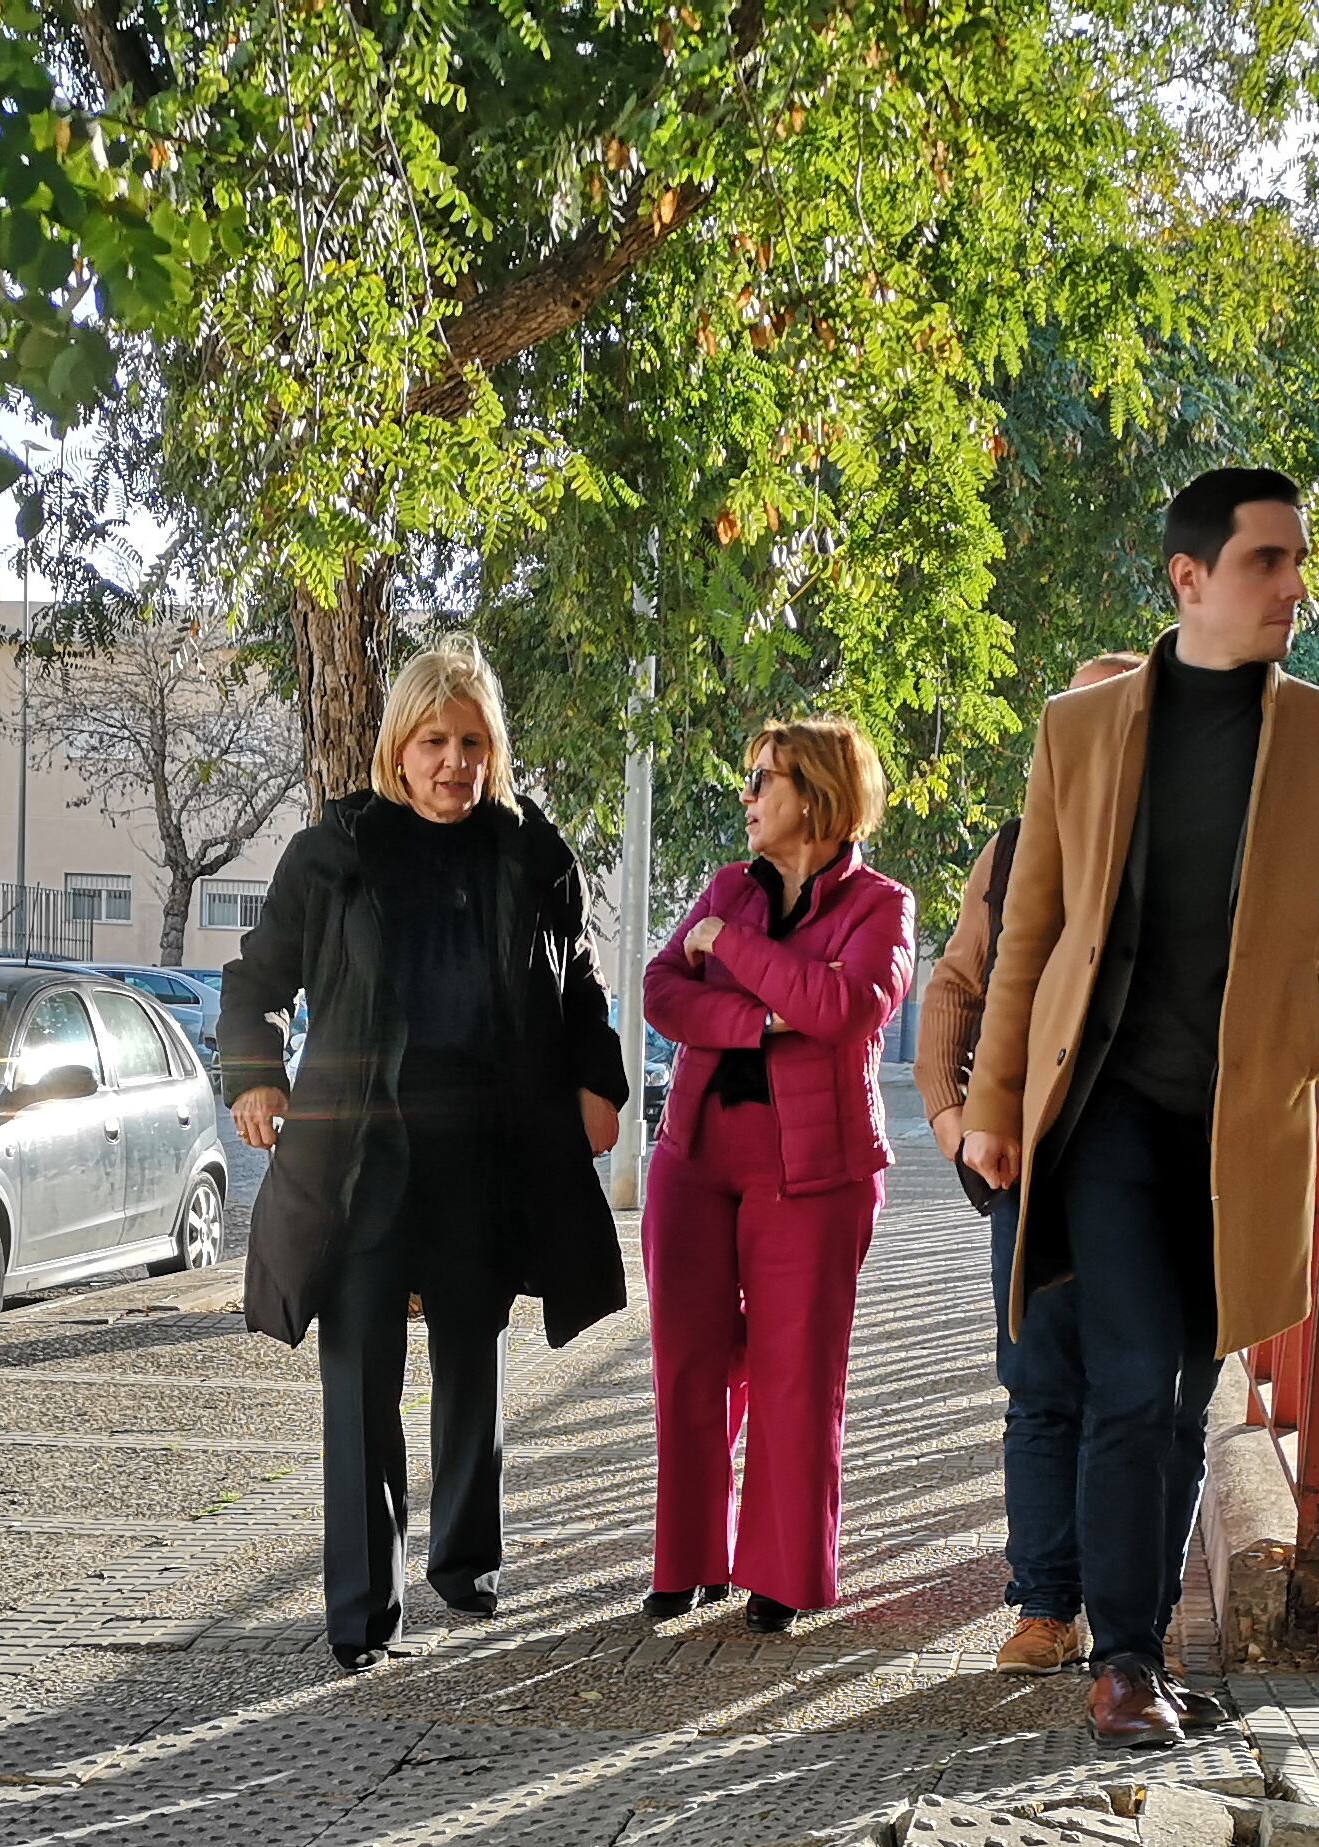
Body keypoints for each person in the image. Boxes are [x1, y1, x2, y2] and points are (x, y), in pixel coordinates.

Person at [958, 471, 1319, 1746]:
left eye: (1299, 561)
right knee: (1124, 1382)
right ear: (1190, 577)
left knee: (1180, 1397)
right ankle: (1126, 1663)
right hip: (1105, 1120)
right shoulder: (1081, 730)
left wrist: (1302, 1048)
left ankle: (1138, 1650)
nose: (1294, 586)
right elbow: (1028, 930)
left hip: (1241, 1135)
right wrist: (996, 1101)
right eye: (1268, 561)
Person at [218, 638, 631, 1669]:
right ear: (399, 749)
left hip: (488, 1154)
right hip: (362, 1157)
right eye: (435, 741)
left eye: (474, 741)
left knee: (473, 1359)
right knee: (360, 1370)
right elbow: (255, 978)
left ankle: (467, 1564)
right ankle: (363, 1615)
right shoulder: (336, 852)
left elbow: (578, 981)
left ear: (496, 749)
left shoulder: (531, 854)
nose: (456, 762)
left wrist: (598, 1080)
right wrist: (255, 1075)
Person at [642, 718, 915, 1635]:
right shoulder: (727, 887)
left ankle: (781, 1577)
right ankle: (688, 1562)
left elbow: (841, 1007)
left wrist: (731, 949)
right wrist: (761, 1019)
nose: (748, 796)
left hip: (815, 1176)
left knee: (796, 1375)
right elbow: (660, 991)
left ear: (818, 796)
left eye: (763, 779)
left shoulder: (883, 906)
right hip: (694, 1158)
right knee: (689, 1363)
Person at [917, 650, 1148, 1676]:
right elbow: (955, 987)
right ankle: (1046, 1605)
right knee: (1042, 1383)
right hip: (1034, 1166)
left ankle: (1133, 1620)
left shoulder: (1183, 845)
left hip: (1152, 1167)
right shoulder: (1011, 854)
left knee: (1142, 1391)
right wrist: (949, 1116)